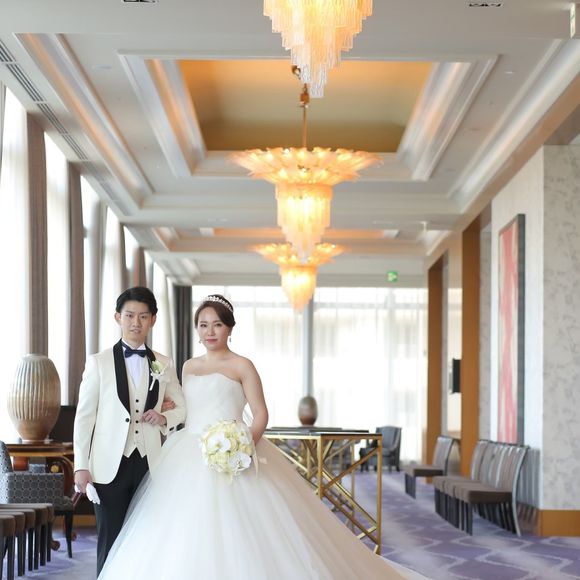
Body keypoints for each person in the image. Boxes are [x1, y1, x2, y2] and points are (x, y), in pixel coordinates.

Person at [97, 294, 426, 580]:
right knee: (183, 532)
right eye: (203, 325)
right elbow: (186, 408)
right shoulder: (188, 366)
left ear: (229, 328)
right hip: (188, 454)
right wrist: (168, 408)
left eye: (217, 325)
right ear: (196, 330)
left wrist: (243, 447)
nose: (210, 331)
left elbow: (261, 413)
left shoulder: (243, 365)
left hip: (236, 452)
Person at [73, 286, 186, 575]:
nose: (136, 322)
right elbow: (84, 419)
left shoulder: (164, 363)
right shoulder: (98, 363)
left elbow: (182, 408)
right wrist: (81, 467)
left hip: (150, 465)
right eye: (130, 315)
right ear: (117, 317)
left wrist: (163, 417)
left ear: (153, 320)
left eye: (143, 316)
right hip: (108, 466)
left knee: (148, 542)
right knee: (109, 541)